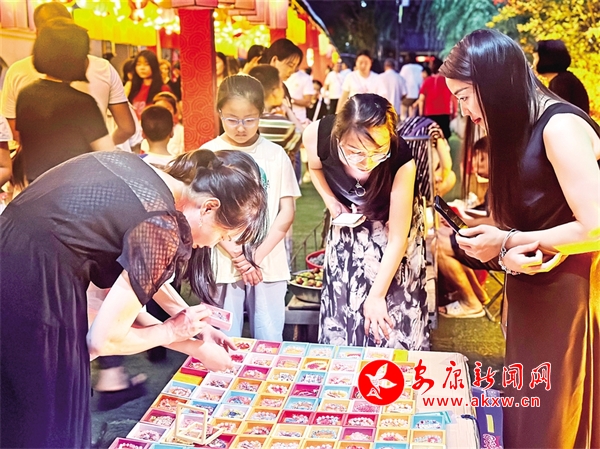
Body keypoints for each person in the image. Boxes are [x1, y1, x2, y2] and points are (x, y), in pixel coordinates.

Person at [0, 148, 267, 448]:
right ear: (209, 207)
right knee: (47, 424)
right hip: (35, 289)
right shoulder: (162, 225)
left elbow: (138, 280)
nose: (211, 245)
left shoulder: (141, 173)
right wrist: (182, 338)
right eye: (222, 235)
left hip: (10, 252)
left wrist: (194, 329)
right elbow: (103, 341)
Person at [440, 29, 600, 447]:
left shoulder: (560, 127)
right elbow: (536, 213)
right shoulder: (521, 128)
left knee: (553, 417)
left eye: (464, 96)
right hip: (535, 287)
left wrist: (506, 240)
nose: (464, 110)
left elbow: (595, 226)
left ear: (494, 83)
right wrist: (496, 235)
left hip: (569, 294)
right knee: (530, 410)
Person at [303, 93, 428, 349]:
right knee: (345, 301)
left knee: (390, 310)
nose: (367, 161)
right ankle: (344, 363)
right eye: (355, 152)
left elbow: (397, 239)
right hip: (350, 222)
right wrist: (331, 200)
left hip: (393, 226)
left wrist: (377, 296)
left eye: (378, 151)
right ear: (338, 137)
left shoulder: (401, 160)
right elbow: (315, 168)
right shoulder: (317, 136)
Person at [201, 74, 301, 341]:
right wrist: (239, 256)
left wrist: (255, 256)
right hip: (222, 261)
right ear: (219, 112)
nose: (241, 127)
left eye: (250, 119)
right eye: (232, 119)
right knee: (223, 339)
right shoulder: (207, 153)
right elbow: (204, 213)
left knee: (269, 339)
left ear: (261, 114)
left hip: (267, 261)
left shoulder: (275, 154)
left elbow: (287, 211)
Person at [1, 3, 135, 147]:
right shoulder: (88, 94)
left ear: (38, 34)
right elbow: (127, 128)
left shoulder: (23, 86)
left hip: (36, 159)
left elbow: (15, 133)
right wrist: (100, 150)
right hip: (86, 158)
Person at [14, 18, 113, 186]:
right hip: (75, 191)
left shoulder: (25, 95)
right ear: (75, 58)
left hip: (38, 189)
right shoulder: (82, 104)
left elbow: (25, 146)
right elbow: (108, 155)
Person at [248, 64, 301, 159]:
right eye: (281, 86)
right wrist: (288, 111)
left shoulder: (243, 121)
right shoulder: (282, 125)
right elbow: (305, 139)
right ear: (275, 92)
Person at [534, 39, 590, 114]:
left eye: (536, 58)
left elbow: (556, 112)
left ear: (546, 59)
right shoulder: (563, 79)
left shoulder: (561, 83)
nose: (533, 63)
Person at [418, 57, 455, 139]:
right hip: (444, 112)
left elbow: (421, 99)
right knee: (444, 136)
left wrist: (421, 114)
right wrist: (454, 113)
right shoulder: (447, 81)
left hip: (430, 113)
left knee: (431, 136)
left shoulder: (427, 81)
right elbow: (453, 98)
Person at [128, 50, 171, 120]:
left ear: (154, 65)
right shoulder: (132, 88)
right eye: (138, 64)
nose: (142, 68)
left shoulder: (163, 89)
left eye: (146, 64)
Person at [140, 91, 184, 156]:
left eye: (167, 108)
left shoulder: (181, 131)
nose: (161, 114)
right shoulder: (147, 127)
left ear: (175, 110)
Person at [399, 52, 424, 120]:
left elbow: (401, 80)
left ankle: (403, 121)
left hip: (407, 95)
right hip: (418, 94)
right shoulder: (420, 68)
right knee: (414, 113)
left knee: (403, 109)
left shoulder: (405, 68)